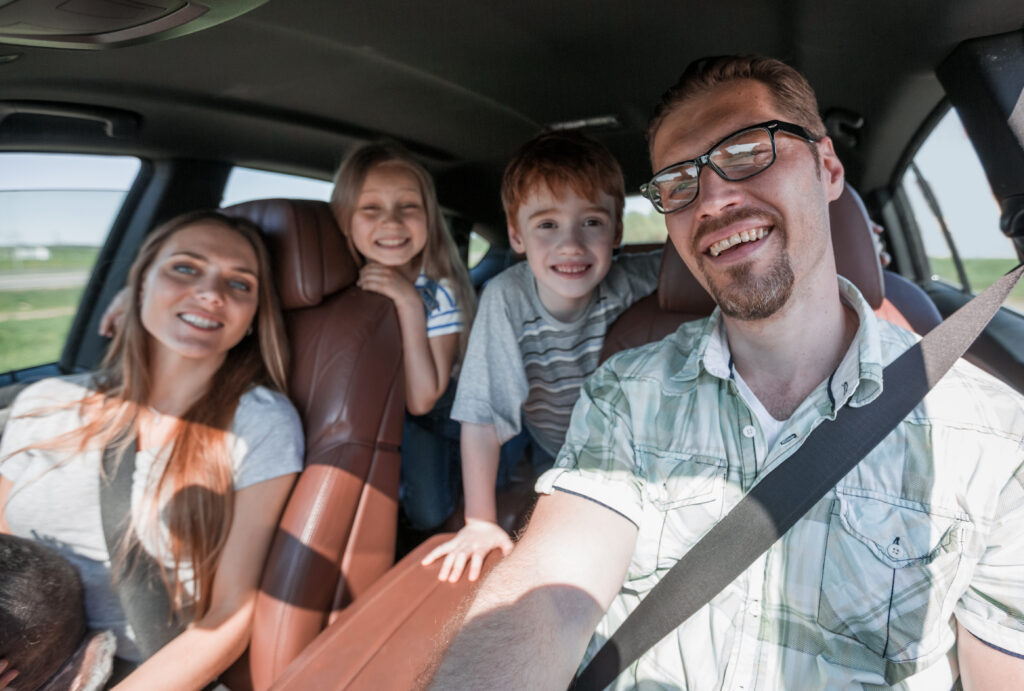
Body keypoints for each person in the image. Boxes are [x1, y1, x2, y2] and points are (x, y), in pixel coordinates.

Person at [429, 56, 1024, 689]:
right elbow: (547, 593)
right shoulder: (624, 394)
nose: (713, 198)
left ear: (827, 168)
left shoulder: (994, 438)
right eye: (679, 182)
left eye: (747, 152)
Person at [1, 210, 304, 689]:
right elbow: (6, 556)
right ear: (137, 286)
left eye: (240, 284)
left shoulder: (259, 424)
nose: (211, 293)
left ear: (251, 319)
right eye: (184, 268)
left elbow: (231, 613)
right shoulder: (44, 402)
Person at [422, 131, 661, 583]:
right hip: (546, 438)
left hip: (607, 449)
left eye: (591, 222)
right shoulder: (506, 298)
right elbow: (484, 414)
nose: (570, 244)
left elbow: (696, 271)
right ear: (516, 235)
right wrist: (479, 521)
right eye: (547, 225)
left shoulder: (634, 281)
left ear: (618, 232)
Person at [330, 141, 476, 533]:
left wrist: (409, 303)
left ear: (429, 217)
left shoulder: (438, 291)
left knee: (428, 514)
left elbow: (423, 399)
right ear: (345, 220)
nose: (391, 222)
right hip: (385, 410)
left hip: (437, 417)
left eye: (408, 207)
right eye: (371, 208)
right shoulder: (341, 289)